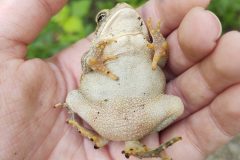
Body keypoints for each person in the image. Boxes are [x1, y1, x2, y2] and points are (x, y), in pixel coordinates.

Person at [0, 0, 239, 159]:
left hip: (141, 111)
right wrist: (95, 57)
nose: (122, 9)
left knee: (176, 104)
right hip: (103, 114)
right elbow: (86, 64)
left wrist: (157, 43)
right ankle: (105, 133)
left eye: (138, 19)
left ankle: (128, 137)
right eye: (104, 16)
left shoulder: (144, 43)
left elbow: (160, 63)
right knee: (72, 97)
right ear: (100, 27)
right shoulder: (98, 47)